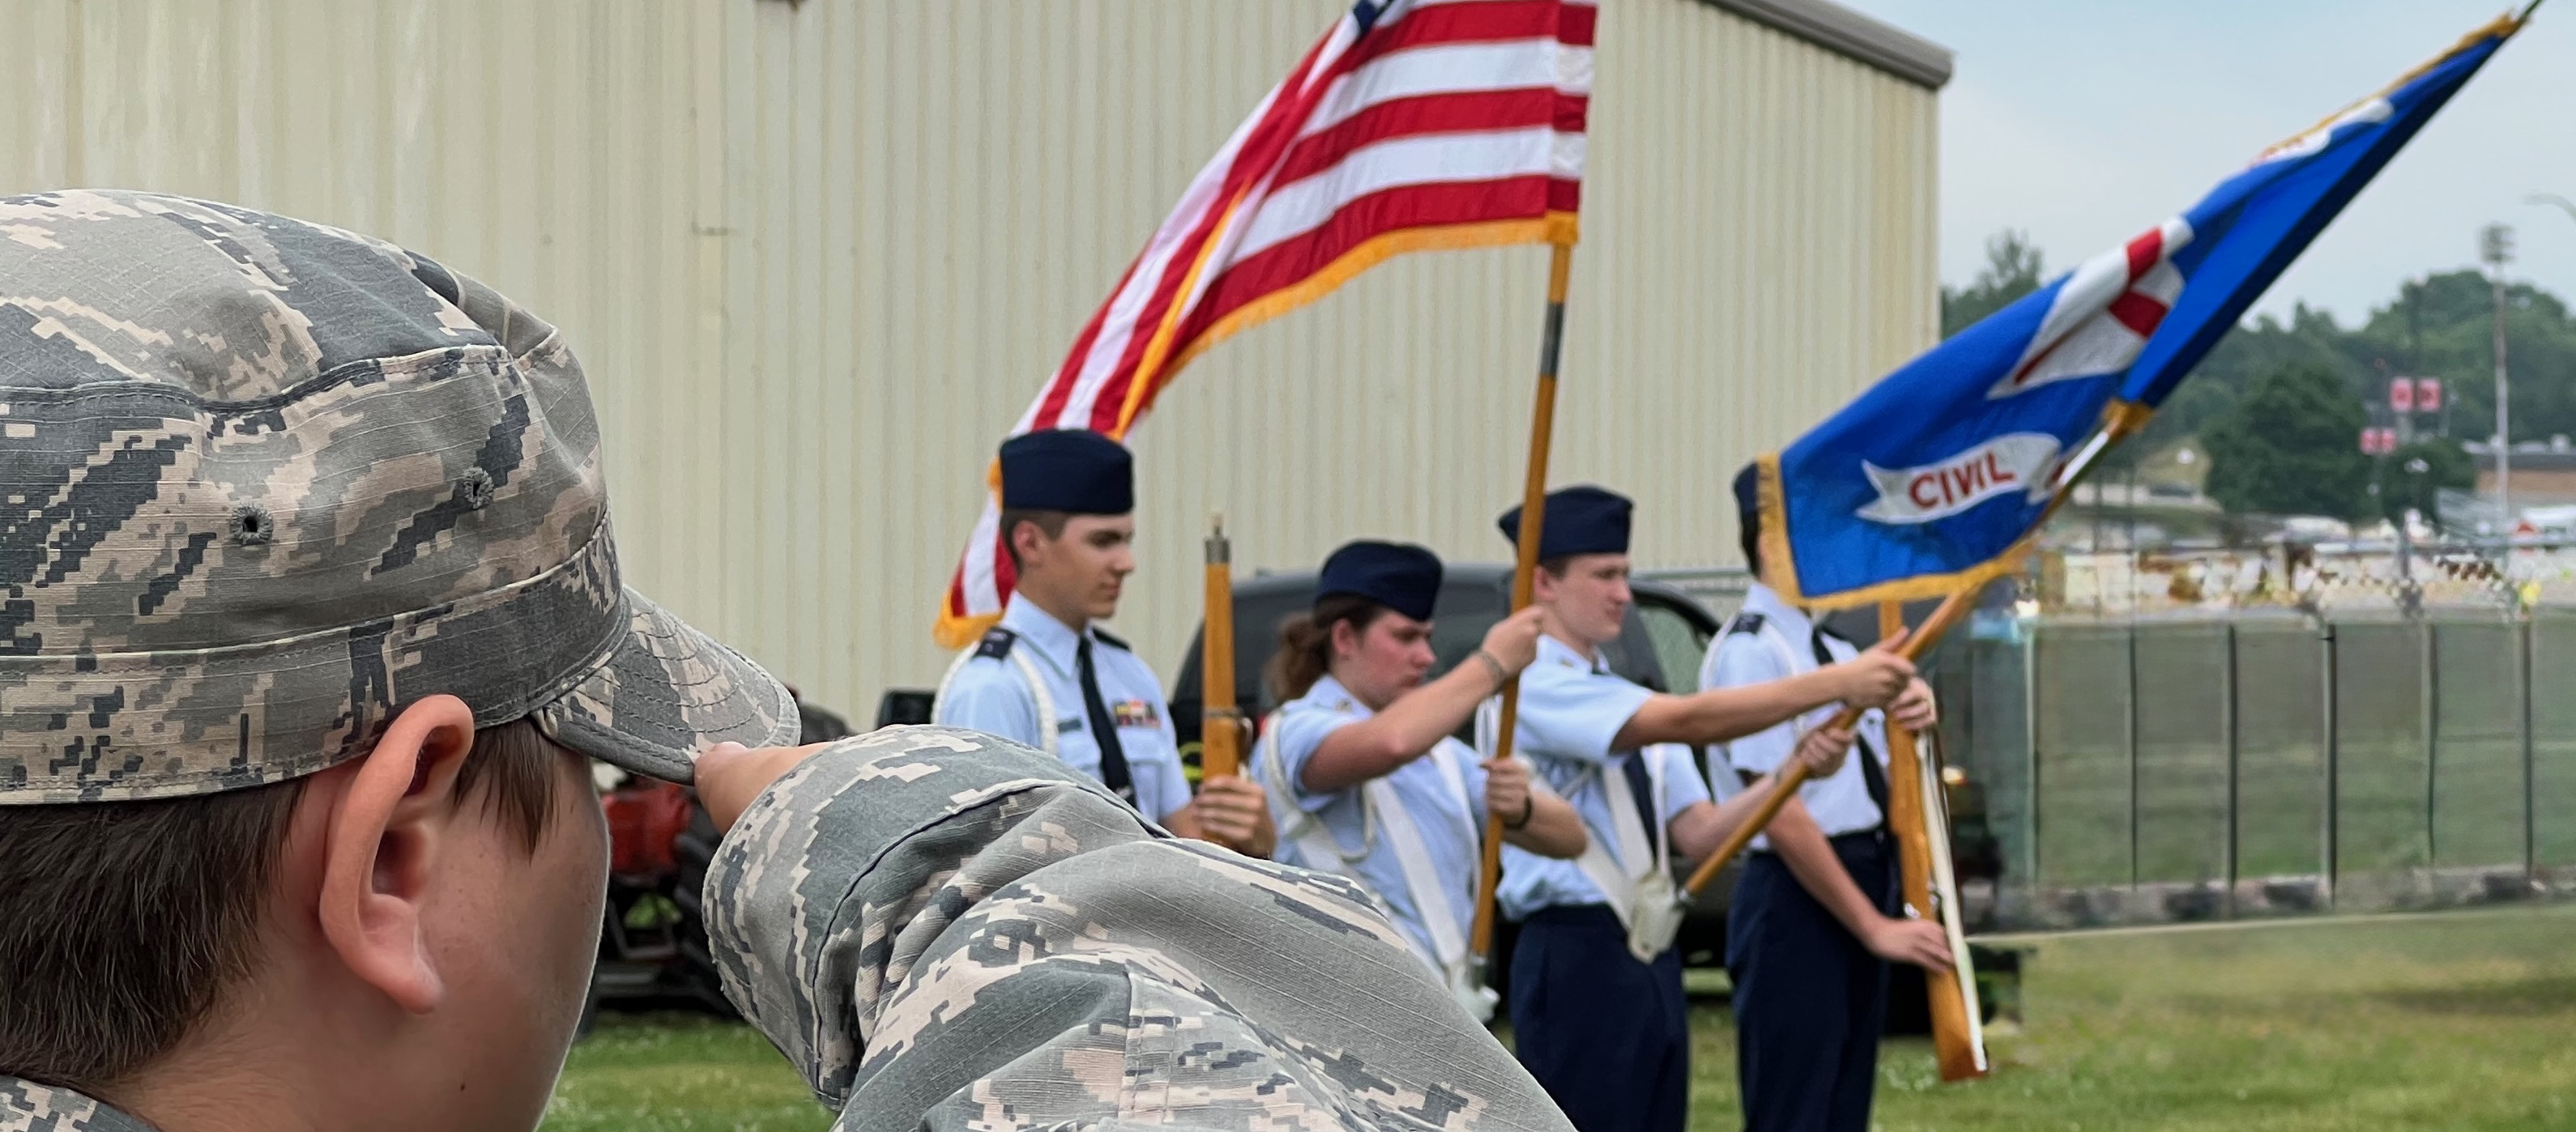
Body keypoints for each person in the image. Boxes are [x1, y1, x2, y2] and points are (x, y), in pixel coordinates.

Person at [0, 189, 1569, 1132]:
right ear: (400, 852)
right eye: (589, 754)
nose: (1122, 561)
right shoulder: (1001, 689)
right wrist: (968, 862)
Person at [1493, 485, 1913, 1132]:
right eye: (1604, 575)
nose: (1623, 594)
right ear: (1543, 582)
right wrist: (1838, 684)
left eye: (1626, 574)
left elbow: (1705, 831)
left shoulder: (1618, 691)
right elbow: (1687, 720)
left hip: (1650, 949)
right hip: (1574, 947)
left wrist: (1793, 767)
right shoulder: (1531, 687)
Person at [1700, 465, 1955, 1132]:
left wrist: (1920, 718)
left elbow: (1893, 780)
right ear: (1768, 543)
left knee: (1843, 1106)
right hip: (1798, 892)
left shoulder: (1837, 649)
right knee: (1796, 1106)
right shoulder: (1753, 653)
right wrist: (1871, 925)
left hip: (1859, 874)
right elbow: (1778, 811)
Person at [1256, 539, 1589, 1015]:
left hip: (1434, 1010)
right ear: (1345, 639)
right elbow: (1389, 744)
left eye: (1427, 637)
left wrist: (1523, 807)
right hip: (1339, 1009)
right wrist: (1492, 664)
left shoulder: (1442, 753)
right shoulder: (1298, 729)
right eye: (1406, 637)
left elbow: (1571, 838)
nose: (1426, 656)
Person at [933, 428, 1273, 855]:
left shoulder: (1130, 676)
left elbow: (1186, 841)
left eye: (1126, 540)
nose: (1126, 563)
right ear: (1030, 542)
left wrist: (1254, 840)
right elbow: (981, 865)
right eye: (1103, 541)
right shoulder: (993, 687)